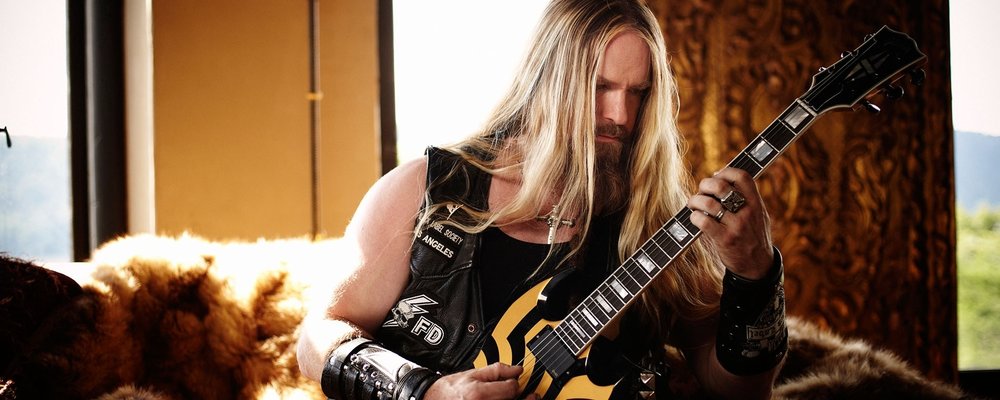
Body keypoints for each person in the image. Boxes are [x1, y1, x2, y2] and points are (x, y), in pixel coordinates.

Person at [297, 0, 787, 398]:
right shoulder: (427, 190)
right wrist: (425, 391)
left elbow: (739, 392)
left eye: (638, 92)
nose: (620, 114)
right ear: (544, 80)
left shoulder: (654, 219)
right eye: (600, 87)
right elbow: (319, 338)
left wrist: (755, 275)